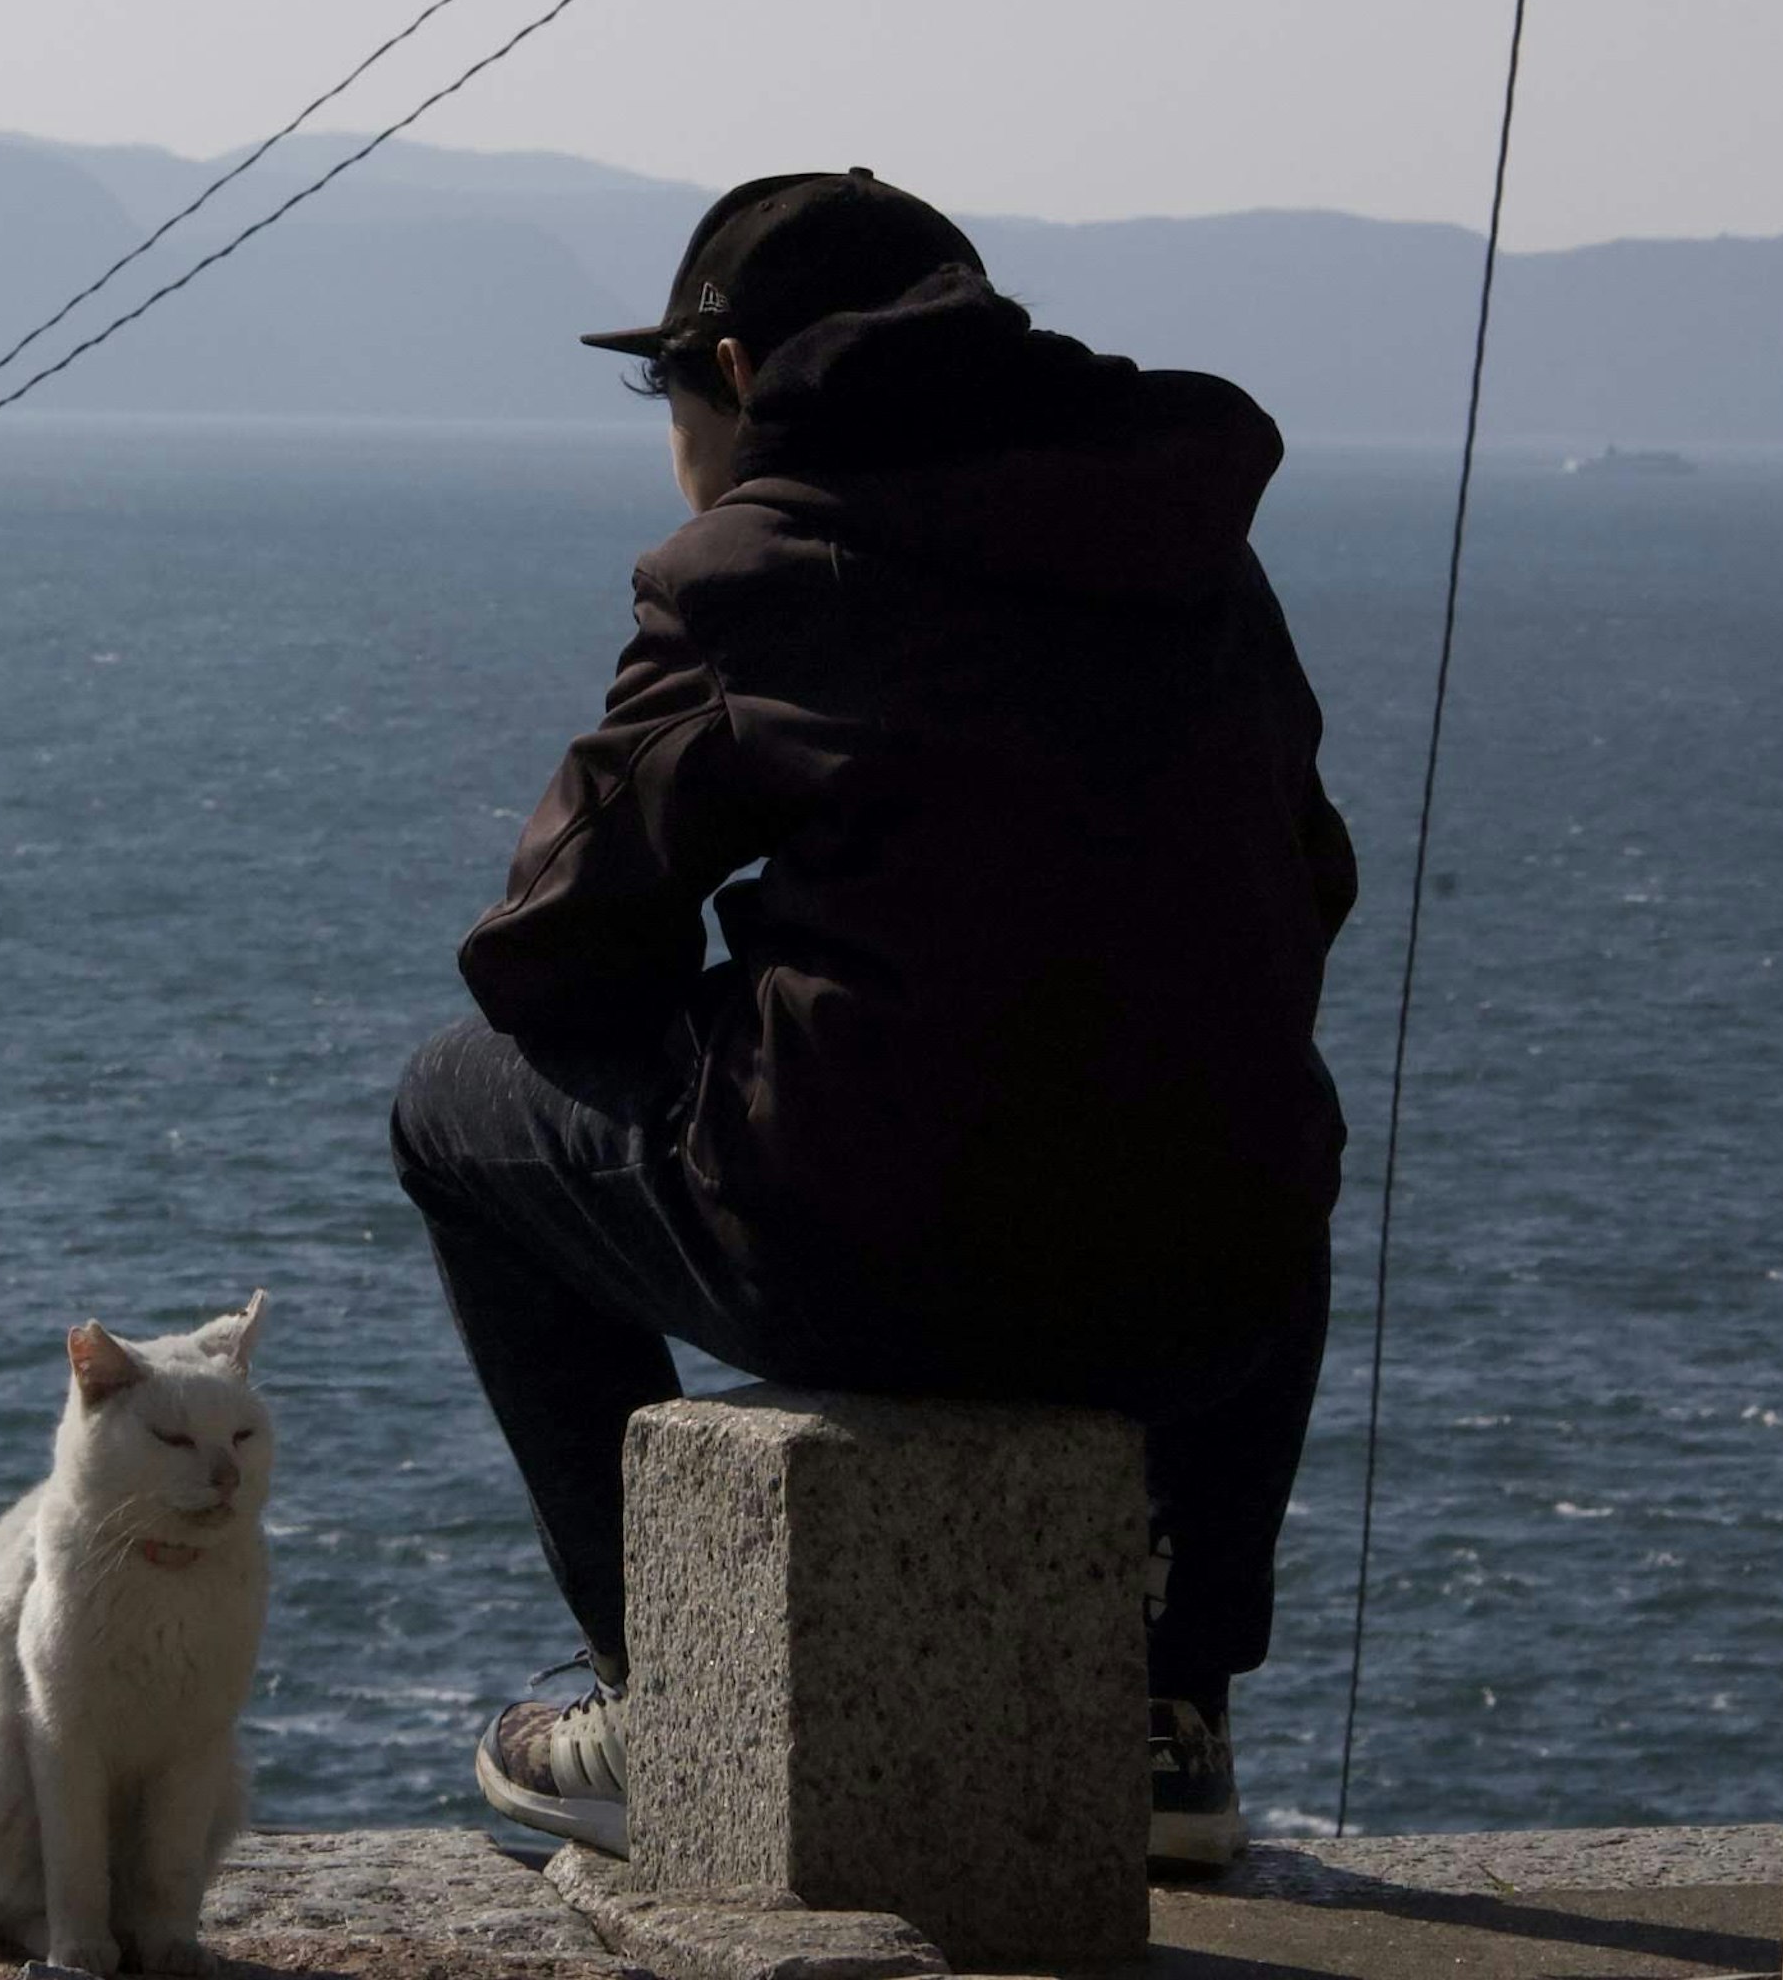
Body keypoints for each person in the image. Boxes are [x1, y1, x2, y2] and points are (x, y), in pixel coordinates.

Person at [393, 169, 1352, 1871]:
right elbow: (1309, 883)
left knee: (454, 1111)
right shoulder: (1194, 540)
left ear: (740, 377)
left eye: (671, 396)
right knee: (1258, 1104)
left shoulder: (755, 564)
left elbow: (542, 954)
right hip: (1208, 1292)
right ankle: (1171, 1711)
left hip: (877, 1259)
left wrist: (715, 1006)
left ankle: (673, 1702)